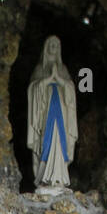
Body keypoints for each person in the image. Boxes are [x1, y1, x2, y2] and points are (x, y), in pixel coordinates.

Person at [26, 35, 78, 189]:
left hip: (61, 110)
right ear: (46, 46)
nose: (54, 46)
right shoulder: (39, 69)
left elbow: (71, 89)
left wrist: (58, 78)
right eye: (51, 43)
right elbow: (32, 89)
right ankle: (44, 177)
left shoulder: (63, 69)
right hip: (45, 111)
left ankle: (59, 178)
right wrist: (48, 79)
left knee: (60, 140)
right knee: (46, 140)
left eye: (57, 44)